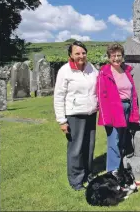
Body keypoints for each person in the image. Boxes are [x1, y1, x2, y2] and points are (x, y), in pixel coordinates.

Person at [54, 41, 99, 191]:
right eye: (77, 53)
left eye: (83, 53)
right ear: (71, 55)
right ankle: (76, 181)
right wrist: (62, 120)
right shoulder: (65, 71)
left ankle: (88, 174)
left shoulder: (91, 68)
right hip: (74, 115)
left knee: (89, 146)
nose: (81, 56)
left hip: (91, 113)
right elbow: (59, 96)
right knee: (76, 148)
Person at [96, 43, 140, 177]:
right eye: (113, 56)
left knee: (122, 139)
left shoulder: (126, 70)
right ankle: (113, 172)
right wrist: (106, 116)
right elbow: (101, 96)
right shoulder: (104, 73)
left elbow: (132, 92)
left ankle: (119, 167)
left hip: (127, 107)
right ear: (109, 57)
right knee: (113, 141)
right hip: (113, 110)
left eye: (119, 55)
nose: (116, 58)